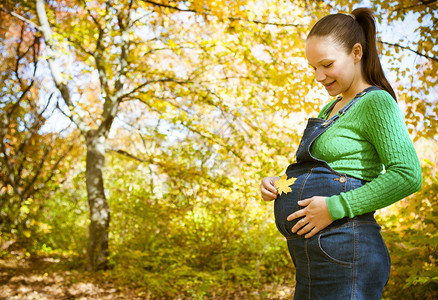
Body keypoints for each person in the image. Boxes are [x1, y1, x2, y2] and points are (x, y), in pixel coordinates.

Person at [260, 7, 422, 300]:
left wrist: (335, 207)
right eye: (313, 68)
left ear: (356, 53)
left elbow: (407, 175)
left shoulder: (376, 102)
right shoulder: (331, 108)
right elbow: (317, 170)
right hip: (312, 258)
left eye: (326, 64)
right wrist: (280, 184)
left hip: (346, 252)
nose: (318, 76)